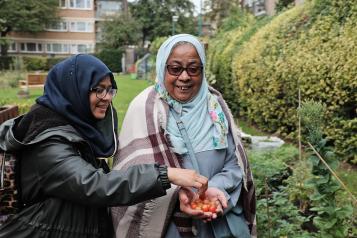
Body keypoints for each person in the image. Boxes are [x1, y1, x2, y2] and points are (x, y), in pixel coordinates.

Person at [0, 54, 208, 237]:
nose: (107, 98)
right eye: (98, 90)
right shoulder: (48, 142)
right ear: (74, 90)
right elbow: (94, 184)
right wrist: (165, 174)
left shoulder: (72, 123)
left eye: (110, 90)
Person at [111, 34, 256, 238]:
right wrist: (177, 193)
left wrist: (214, 190)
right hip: (170, 229)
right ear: (163, 68)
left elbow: (235, 164)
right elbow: (130, 175)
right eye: (175, 68)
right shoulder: (145, 108)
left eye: (193, 69)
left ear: (202, 70)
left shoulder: (215, 105)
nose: (185, 77)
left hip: (221, 226)